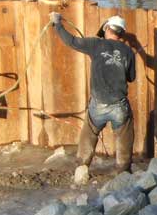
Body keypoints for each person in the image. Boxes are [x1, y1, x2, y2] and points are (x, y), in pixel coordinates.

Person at [49, 11, 136, 175]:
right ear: (121, 33)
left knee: (89, 133)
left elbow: (71, 41)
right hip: (119, 105)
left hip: (99, 105)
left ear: (107, 28)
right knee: (125, 135)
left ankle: (82, 168)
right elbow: (131, 78)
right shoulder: (128, 51)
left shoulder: (96, 44)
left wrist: (57, 24)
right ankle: (123, 172)